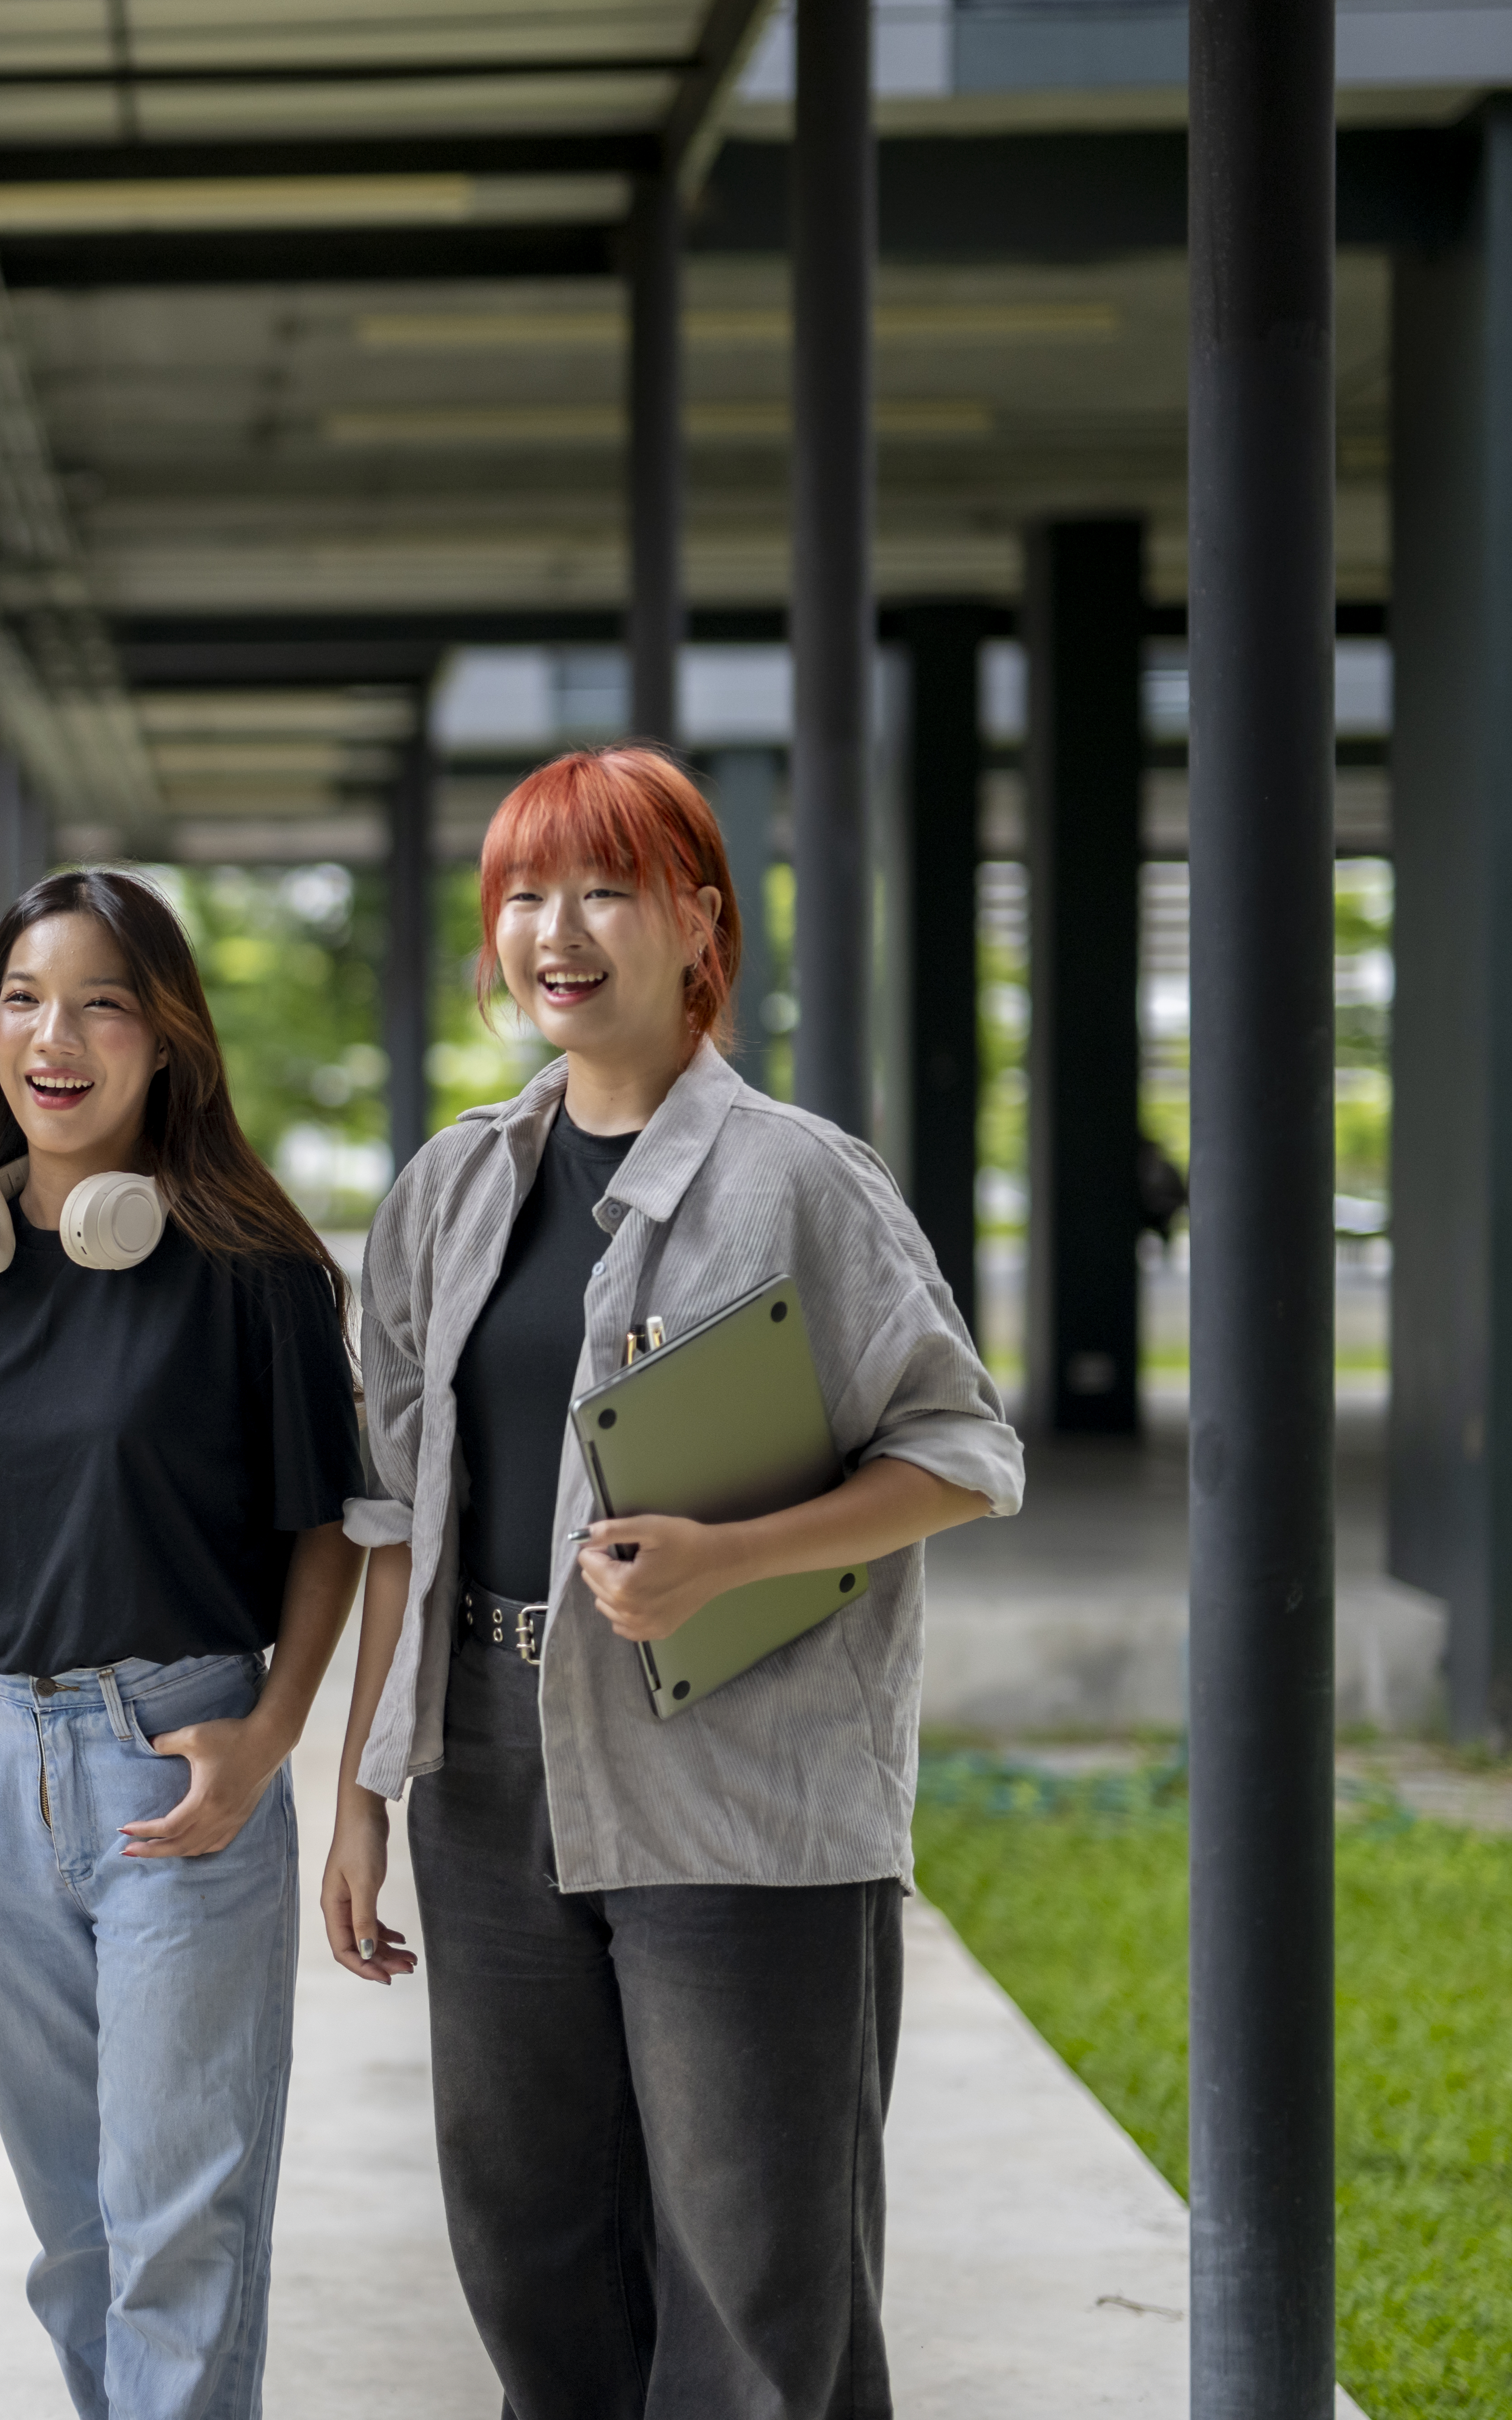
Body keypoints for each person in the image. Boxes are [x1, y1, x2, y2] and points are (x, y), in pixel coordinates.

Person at [318, 745, 1025, 2420]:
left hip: (743, 1766)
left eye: (606, 889)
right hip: (486, 1767)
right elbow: (398, 1512)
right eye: (523, 896)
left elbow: (962, 1450)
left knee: (755, 2268)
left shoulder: (799, 1180)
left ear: (699, 920)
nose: (556, 932)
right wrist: (361, 1789)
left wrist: (733, 1560)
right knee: (529, 2242)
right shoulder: (451, 1188)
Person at [0, 867, 367, 2420]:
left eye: (100, 1002)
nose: (54, 1036)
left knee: (178, 2229)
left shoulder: (253, 1275)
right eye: (24, 999)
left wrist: (269, 1738)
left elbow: (328, 1532)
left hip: (178, 1772)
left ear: (168, 1042)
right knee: (77, 2241)